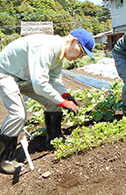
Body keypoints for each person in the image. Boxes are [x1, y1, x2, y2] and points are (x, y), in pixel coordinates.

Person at [0, 28, 95, 174]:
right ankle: (4, 158)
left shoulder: (59, 55)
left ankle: (54, 137)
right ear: (74, 42)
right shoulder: (47, 47)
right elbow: (40, 84)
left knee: (53, 102)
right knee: (18, 115)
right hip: (6, 74)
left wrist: (65, 95)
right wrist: (63, 103)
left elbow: (54, 79)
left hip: (24, 77)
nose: (81, 57)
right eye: (82, 52)